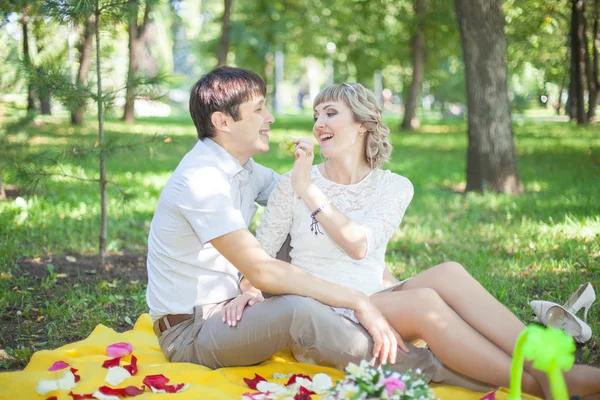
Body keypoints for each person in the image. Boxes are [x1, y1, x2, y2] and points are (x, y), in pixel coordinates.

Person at [248, 82, 600, 399]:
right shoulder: (295, 182)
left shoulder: (393, 186)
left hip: (375, 305)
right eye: (316, 115)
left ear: (362, 125)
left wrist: (307, 190)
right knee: (424, 303)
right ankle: (544, 385)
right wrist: (247, 291)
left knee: (447, 272)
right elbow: (259, 257)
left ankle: (546, 366)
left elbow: (359, 245)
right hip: (325, 317)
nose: (318, 122)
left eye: (330, 113)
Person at [146, 66, 485, 390]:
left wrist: (373, 266)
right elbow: (262, 269)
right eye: (260, 109)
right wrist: (356, 300)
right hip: (192, 331)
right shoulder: (201, 180)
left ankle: (480, 351)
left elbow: (294, 198)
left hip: (232, 309)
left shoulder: (245, 170)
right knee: (297, 310)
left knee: (296, 223)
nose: (271, 118)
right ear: (223, 121)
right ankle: (439, 369)